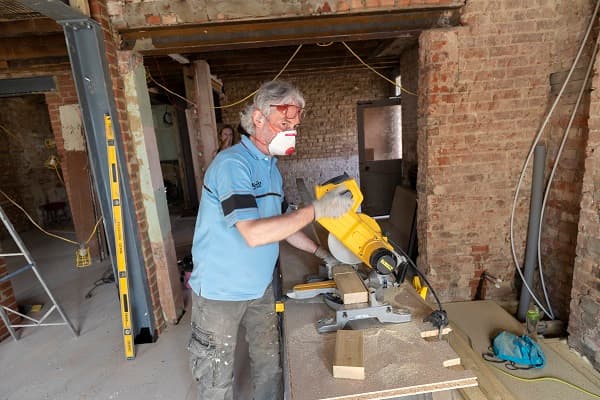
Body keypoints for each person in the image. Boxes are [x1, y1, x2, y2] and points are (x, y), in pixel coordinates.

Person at [188, 80, 352, 400]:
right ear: (259, 119)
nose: (291, 132)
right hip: (221, 293)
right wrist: (316, 210)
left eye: (294, 125)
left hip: (260, 288)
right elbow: (253, 232)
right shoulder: (232, 165)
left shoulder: (272, 169)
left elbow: (281, 225)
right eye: (284, 124)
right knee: (215, 376)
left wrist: (323, 253)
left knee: (269, 365)